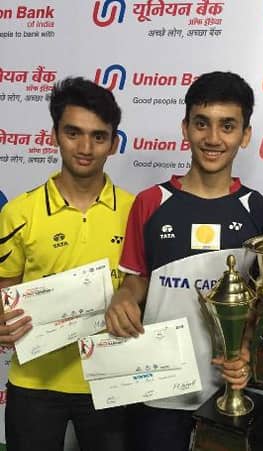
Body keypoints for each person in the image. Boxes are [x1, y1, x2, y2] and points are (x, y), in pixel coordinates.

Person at [106, 71, 263, 451]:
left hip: (228, 387)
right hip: (158, 387)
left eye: (227, 126)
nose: (213, 138)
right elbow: (137, 278)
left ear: (245, 135)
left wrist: (246, 349)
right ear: (185, 128)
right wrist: (123, 296)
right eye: (202, 123)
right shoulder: (150, 202)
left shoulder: (259, 211)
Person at [0, 77, 134, 450]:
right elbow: (4, 287)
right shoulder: (19, 213)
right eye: (73, 133)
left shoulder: (135, 211)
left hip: (111, 379)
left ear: (114, 143)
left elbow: (143, 286)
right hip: (34, 383)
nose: (85, 148)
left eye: (98, 136)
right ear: (54, 135)